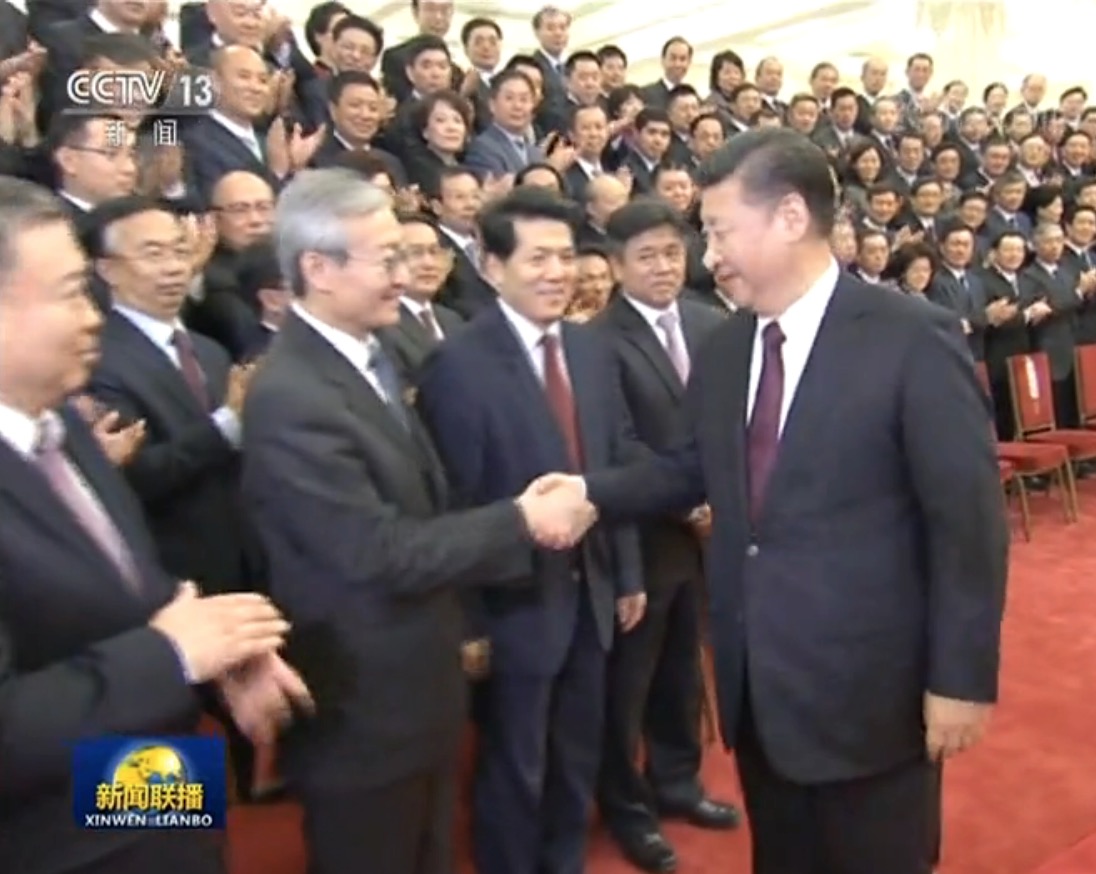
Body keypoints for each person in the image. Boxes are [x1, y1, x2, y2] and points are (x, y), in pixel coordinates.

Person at [534, 128, 1009, 874]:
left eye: (720, 230)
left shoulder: (911, 337)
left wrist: (960, 678)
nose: (709, 254)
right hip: (760, 688)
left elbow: (969, 524)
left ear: (790, 216)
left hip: (871, 693)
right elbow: (693, 467)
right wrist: (593, 494)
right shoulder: (729, 345)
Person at [239, 169, 593, 874]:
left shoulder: (376, 354)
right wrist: (521, 519)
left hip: (417, 686)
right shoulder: (292, 395)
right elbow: (377, 550)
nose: (405, 276)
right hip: (363, 702)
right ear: (318, 269)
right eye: (387, 259)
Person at [0, 179, 309, 874]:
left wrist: (213, 651)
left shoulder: (63, 425)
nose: (92, 318)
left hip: (144, 781)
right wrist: (172, 655)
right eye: (70, 293)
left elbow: (125, 581)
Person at [415, 186, 646, 874]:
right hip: (512, 603)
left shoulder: (592, 349)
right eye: (537, 258)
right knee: (516, 764)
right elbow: (453, 501)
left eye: (566, 257)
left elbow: (615, 466)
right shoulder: (458, 364)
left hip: (593, 593)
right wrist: (468, 622)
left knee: (578, 752)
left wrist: (627, 573)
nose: (557, 272)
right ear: (492, 266)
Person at [592, 198, 738, 874]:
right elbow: (616, 445)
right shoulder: (598, 341)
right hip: (641, 537)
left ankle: (677, 783)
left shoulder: (711, 324)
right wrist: (687, 501)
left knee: (683, 675)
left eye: (672, 253)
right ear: (616, 265)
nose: (662, 267)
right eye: (645, 256)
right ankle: (627, 809)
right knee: (629, 688)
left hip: (708, 540)